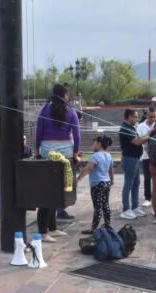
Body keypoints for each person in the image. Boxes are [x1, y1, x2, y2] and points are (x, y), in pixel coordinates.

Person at [35, 83, 80, 241]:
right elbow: (77, 135)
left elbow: (39, 132)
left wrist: (37, 150)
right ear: (65, 95)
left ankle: (51, 228)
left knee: (50, 191)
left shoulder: (44, 110)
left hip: (47, 152)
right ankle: (43, 232)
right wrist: (75, 153)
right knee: (55, 192)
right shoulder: (71, 111)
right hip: (65, 154)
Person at [118, 109, 154, 220]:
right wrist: (148, 134)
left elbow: (139, 139)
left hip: (135, 159)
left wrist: (147, 136)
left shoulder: (131, 128)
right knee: (128, 184)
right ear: (129, 117)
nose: (136, 119)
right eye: (135, 116)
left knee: (136, 184)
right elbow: (137, 142)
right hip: (129, 159)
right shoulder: (125, 129)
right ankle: (125, 209)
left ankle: (135, 206)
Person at [77, 134, 115, 234]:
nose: (92, 145)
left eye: (93, 143)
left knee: (97, 207)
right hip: (106, 182)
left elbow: (89, 168)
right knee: (105, 204)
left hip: (97, 184)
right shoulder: (108, 155)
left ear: (99, 144)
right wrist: (112, 180)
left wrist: (79, 178)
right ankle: (107, 224)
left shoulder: (96, 156)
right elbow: (111, 169)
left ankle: (94, 228)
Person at [137, 107, 156, 208]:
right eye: (150, 117)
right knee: (147, 177)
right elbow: (140, 140)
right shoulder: (140, 126)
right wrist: (148, 136)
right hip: (146, 155)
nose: (152, 119)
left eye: (154, 117)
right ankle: (147, 198)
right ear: (146, 116)